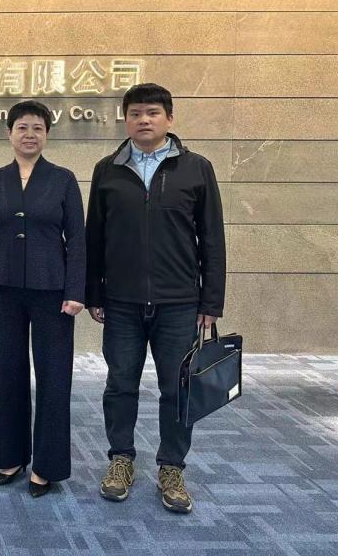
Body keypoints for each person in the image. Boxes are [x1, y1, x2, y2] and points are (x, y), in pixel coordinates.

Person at [85, 83, 226, 514]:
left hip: (179, 302)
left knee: (177, 390)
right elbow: (95, 238)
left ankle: (172, 467)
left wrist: (211, 303)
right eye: (135, 113)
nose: (143, 120)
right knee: (120, 385)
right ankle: (121, 460)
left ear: (169, 118)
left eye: (152, 113)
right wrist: (94, 293)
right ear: (125, 119)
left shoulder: (196, 169)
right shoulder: (108, 169)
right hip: (122, 302)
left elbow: (212, 240)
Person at [0, 100, 85, 498]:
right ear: (9, 133)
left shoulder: (63, 179)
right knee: (7, 374)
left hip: (53, 293)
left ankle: (46, 466)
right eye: (22, 127)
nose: (30, 134)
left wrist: (76, 291)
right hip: (3, 291)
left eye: (38, 127)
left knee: (54, 377)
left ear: (47, 134)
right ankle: (10, 457)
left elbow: (77, 238)